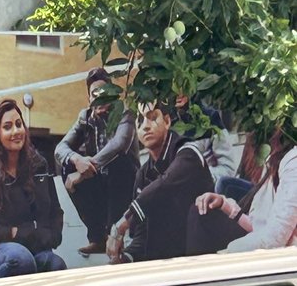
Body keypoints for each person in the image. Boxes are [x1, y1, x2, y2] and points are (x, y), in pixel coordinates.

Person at [0, 98, 66, 280]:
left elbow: (55, 211)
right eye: (7, 127)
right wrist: (11, 232)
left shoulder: (39, 165)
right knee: (19, 258)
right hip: (2, 249)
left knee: (55, 264)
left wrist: (49, 237)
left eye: (18, 124)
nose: (16, 131)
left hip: (34, 243)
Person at [106, 101, 213, 263]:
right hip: (166, 265)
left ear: (168, 121)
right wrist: (125, 258)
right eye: (140, 122)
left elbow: (165, 184)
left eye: (152, 117)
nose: (146, 126)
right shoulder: (143, 173)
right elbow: (142, 237)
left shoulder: (188, 153)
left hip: (203, 260)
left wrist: (122, 224)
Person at [55, 67, 139, 256]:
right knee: (68, 165)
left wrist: (85, 169)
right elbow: (60, 149)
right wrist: (76, 160)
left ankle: (113, 234)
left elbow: (119, 144)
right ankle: (97, 238)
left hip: (128, 184)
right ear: (89, 100)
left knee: (119, 161)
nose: (100, 98)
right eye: (95, 94)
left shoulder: (125, 113)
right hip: (100, 184)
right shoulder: (84, 118)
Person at [186, 131, 297, 255]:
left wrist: (228, 252)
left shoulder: (293, 162)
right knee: (201, 211)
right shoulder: (274, 157)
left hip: (275, 256)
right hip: (258, 237)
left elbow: (275, 239)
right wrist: (225, 205)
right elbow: (259, 224)